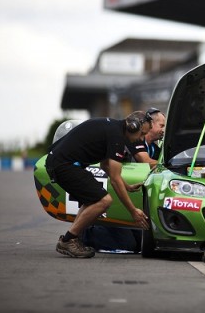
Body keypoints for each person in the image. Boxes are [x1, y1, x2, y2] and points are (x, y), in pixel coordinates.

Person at [45, 111, 151, 258]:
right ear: (132, 127)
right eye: (142, 134)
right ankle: (68, 240)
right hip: (64, 165)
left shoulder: (115, 129)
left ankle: (73, 238)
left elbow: (105, 165)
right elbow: (114, 179)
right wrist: (133, 211)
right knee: (104, 200)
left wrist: (126, 186)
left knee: (93, 200)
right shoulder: (117, 137)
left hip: (61, 162)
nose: (141, 139)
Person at [83, 108, 166, 253]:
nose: (163, 130)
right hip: (116, 198)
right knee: (127, 243)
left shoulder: (154, 147)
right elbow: (145, 161)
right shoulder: (132, 138)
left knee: (138, 242)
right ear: (149, 125)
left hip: (128, 195)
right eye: (162, 125)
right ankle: (84, 233)